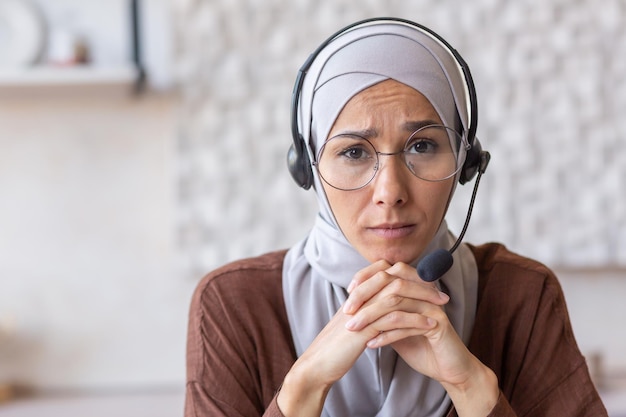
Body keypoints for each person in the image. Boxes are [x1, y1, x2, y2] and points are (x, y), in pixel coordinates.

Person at [184, 17, 607, 417]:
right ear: (308, 167)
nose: (390, 193)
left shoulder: (522, 297)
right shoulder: (232, 305)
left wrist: (472, 388)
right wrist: (305, 387)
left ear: (465, 161)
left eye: (422, 146)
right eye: (353, 152)